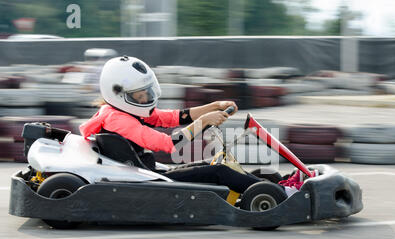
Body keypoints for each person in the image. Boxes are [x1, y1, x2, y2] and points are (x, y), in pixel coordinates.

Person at [80, 55, 261, 193]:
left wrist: (214, 106)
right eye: (139, 95)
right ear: (119, 95)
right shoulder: (118, 120)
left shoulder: (121, 111)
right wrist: (204, 121)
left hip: (146, 172)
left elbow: (173, 117)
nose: (146, 99)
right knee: (220, 171)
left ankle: (270, 187)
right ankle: (276, 194)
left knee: (219, 163)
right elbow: (168, 145)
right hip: (147, 181)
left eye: (147, 92)